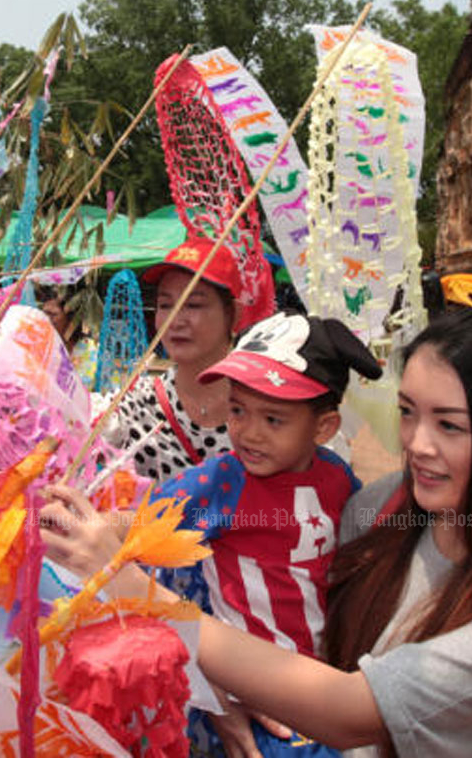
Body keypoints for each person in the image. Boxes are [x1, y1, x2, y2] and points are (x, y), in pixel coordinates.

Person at [42, 305, 472, 758]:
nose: (417, 444)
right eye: (409, 413)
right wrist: (215, 693)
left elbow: (345, 711)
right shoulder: (384, 507)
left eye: (449, 425)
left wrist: (135, 594)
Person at [155, 312, 383, 757]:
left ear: (324, 428)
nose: (248, 433)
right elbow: (140, 536)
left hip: (322, 683)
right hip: (253, 700)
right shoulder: (220, 482)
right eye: (237, 410)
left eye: (273, 419)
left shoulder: (337, 480)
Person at [102, 236, 244, 484]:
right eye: (165, 305)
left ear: (234, 314)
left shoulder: (265, 408)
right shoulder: (133, 406)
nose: (176, 321)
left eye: (194, 305)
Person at [38, 283, 98, 387]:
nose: (46, 319)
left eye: (52, 314)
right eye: (44, 313)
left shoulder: (91, 351)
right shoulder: (41, 348)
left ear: (71, 319)